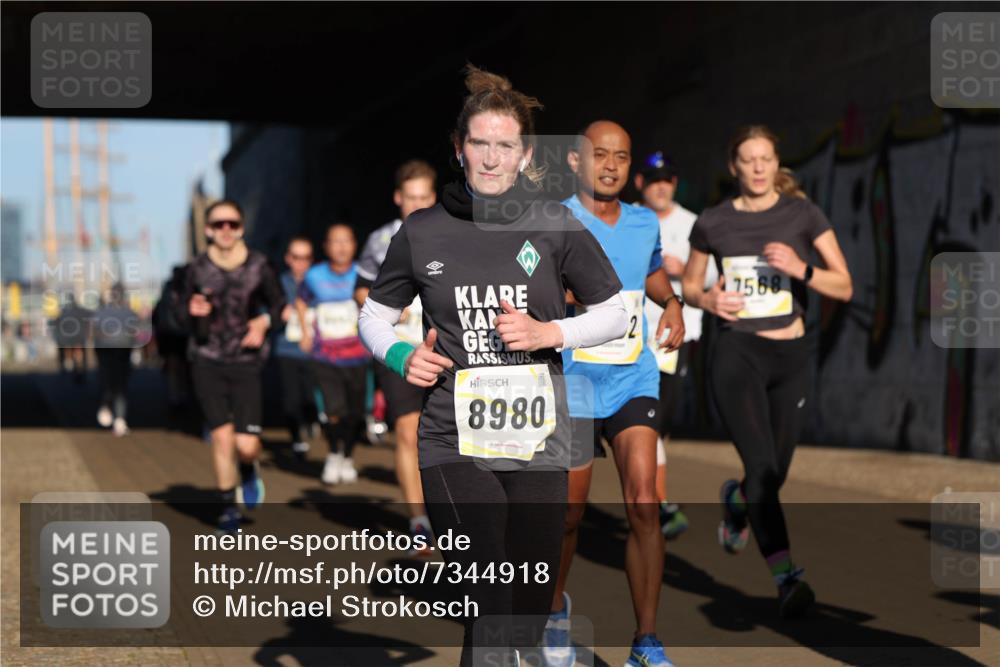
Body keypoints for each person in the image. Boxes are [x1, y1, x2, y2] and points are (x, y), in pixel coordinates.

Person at [359, 66, 627, 667]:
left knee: (527, 606)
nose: (490, 158)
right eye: (479, 143)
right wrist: (404, 353)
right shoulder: (423, 231)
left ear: (525, 153)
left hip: (539, 441)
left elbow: (615, 314)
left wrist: (548, 331)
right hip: (453, 439)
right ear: (459, 149)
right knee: (490, 582)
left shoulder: (554, 224)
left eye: (504, 145)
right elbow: (373, 317)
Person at [682, 125, 852, 618]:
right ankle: (786, 577)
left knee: (772, 474)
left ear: (778, 165)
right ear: (734, 167)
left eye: (766, 159)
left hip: (792, 357)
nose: (758, 169)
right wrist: (708, 297)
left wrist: (801, 269)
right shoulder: (713, 222)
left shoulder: (804, 214)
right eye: (748, 160)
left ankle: (736, 500)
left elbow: (844, 286)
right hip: (737, 354)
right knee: (762, 469)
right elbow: (691, 285)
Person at [543, 121, 684, 667]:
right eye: (599, 155)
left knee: (645, 504)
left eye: (621, 157)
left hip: (631, 376)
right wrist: (557, 290)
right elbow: (522, 276)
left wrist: (670, 301)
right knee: (569, 516)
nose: (610, 165)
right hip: (572, 380)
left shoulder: (644, 221)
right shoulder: (552, 220)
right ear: (575, 162)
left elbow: (649, 272)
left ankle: (646, 642)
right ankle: (555, 613)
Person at [177, 199, 285, 534]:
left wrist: (263, 322)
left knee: (246, 445)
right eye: (218, 224)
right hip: (207, 360)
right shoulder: (195, 269)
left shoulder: (259, 265)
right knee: (222, 439)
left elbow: (279, 304)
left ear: (241, 228)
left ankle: (249, 470)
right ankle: (228, 508)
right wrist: (190, 311)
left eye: (232, 224)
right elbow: (176, 315)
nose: (226, 230)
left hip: (247, 362)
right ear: (208, 230)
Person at [355, 159, 438, 552]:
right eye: (411, 198)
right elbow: (360, 292)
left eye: (424, 197)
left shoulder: (451, 233)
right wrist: (389, 308)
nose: (417, 204)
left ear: (433, 198)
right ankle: (419, 522)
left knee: (444, 436)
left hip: (446, 350)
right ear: (397, 198)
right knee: (407, 432)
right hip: (400, 349)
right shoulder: (379, 241)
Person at [635, 151, 715, 540]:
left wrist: (686, 271)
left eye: (667, 179)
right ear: (640, 184)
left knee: (658, 423)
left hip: (676, 338)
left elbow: (714, 275)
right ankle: (658, 504)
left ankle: (653, 501)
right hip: (631, 335)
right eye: (653, 180)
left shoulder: (692, 224)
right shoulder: (628, 218)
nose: (660, 186)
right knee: (646, 421)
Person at [296, 224, 370, 485]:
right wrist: (305, 332)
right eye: (335, 241)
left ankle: (348, 456)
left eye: (346, 241)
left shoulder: (365, 273)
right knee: (333, 409)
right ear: (326, 247)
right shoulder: (314, 276)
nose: (341, 247)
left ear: (354, 244)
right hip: (325, 356)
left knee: (356, 412)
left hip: (359, 355)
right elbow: (301, 300)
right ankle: (333, 453)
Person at [275, 236, 319, 459]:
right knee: (291, 399)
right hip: (287, 349)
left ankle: (312, 420)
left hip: (316, 350)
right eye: (296, 257)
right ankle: (296, 440)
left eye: (306, 258)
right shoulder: (278, 285)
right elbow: (266, 311)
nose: (301, 262)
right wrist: (277, 314)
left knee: (311, 397)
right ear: (287, 259)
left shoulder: (319, 281)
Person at [94, 283, 140, 437]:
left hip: (108, 352)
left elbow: (95, 332)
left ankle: (107, 408)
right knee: (120, 385)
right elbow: (135, 333)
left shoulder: (102, 312)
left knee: (109, 382)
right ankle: (119, 419)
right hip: (121, 352)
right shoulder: (129, 313)